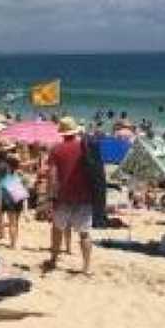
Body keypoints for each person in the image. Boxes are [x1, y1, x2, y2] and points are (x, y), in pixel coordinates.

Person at [46, 117, 94, 274]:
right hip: (85, 195)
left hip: (63, 196)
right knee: (84, 233)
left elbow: (52, 176)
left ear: (62, 132)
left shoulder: (56, 149)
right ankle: (86, 266)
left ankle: (53, 259)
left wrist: (50, 196)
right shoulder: (85, 147)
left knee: (57, 229)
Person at [0, 155, 27, 248]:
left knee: (11, 223)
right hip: (19, 198)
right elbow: (24, 189)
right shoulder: (20, 175)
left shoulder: (5, 176)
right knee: (16, 222)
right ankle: (15, 241)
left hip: (10, 199)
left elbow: (1, 190)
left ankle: (12, 244)